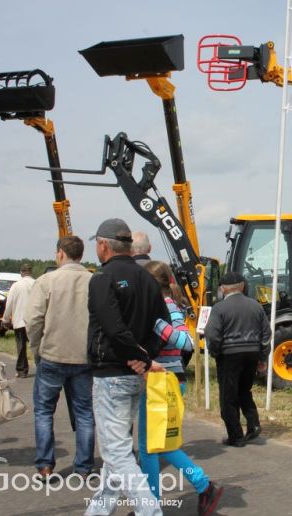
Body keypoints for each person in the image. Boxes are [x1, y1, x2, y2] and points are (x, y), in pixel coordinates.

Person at [85, 218, 168, 516]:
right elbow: (164, 326)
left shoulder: (101, 278)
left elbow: (113, 328)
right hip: (134, 375)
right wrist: (145, 357)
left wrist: (141, 358)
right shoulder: (147, 277)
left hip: (111, 374)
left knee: (116, 453)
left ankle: (151, 511)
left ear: (104, 245)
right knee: (114, 452)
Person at [139, 261, 224, 515]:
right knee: (156, 446)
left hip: (163, 382)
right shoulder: (165, 306)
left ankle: (156, 503)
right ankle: (197, 487)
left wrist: (156, 324)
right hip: (163, 381)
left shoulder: (166, 308)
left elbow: (186, 341)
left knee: (150, 447)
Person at [25, 236, 95, 480]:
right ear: (81, 255)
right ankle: (84, 467)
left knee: (44, 411)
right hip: (83, 356)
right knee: (85, 412)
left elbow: (33, 319)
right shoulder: (93, 281)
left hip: (52, 353)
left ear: (60, 254)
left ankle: (45, 466)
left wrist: (36, 348)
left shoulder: (46, 281)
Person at [204, 271, 271, 447]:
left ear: (222, 289)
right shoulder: (255, 305)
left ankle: (236, 436)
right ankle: (253, 425)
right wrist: (262, 357)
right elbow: (266, 334)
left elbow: (212, 335)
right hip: (252, 354)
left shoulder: (219, 308)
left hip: (229, 356)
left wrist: (215, 352)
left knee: (228, 397)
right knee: (244, 391)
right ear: (242, 286)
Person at [2, 262, 36, 378]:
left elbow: (9, 303)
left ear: (21, 273)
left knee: (21, 347)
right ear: (31, 272)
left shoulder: (16, 286)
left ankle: (22, 371)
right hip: (34, 321)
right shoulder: (37, 283)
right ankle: (41, 368)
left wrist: (6, 319)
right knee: (36, 346)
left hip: (20, 320)